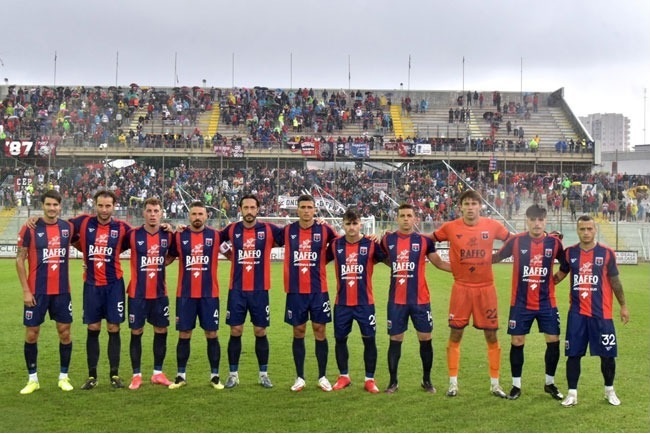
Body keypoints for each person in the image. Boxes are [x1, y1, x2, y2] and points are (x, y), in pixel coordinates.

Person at [432, 189, 511, 398]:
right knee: (456, 333)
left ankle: (495, 384)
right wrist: (440, 264)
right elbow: (426, 242)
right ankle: (453, 384)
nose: (470, 207)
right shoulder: (450, 227)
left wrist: (498, 257)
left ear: (480, 206)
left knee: (491, 334)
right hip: (461, 288)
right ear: (460, 207)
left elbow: (513, 242)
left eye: (473, 203)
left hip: (486, 288)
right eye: (466, 204)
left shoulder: (492, 225)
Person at [492, 205, 569, 400]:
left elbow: (566, 265)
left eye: (540, 220)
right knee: (517, 342)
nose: (537, 223)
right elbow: (497, 256)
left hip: (547, 303)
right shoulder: (516, 241)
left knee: (553, 341)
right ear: (527, 220)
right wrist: (476, 259)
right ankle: (516, 386)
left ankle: (549, 384)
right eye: (533, 220)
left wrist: (555, 280)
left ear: (545, 221)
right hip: (520, 303)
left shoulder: (554, 243)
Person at [554, 215, 629, 407]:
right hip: (577, 315)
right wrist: (543, 283)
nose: (586, 232)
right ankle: (572, 394)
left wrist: (623, 306)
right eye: (582, 229)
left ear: (595, 230)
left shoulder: (607, 253)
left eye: (589, 228)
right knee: (573, 354)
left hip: (602, 315)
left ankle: (609, 391)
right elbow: (560, 275)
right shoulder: (570, 253)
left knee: (608, 355)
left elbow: (615, 281)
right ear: (577, 230)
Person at [381, 203, 450, 394]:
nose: (405, 219)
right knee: (395, 339)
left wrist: (461, 270)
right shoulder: (387, 240)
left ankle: (426, 381)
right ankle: (393, 382)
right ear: (397, 218)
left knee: (425, 338)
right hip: (396, 301)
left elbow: (439, 263)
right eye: (402, 215)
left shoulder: (424, 241)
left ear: (415, 218)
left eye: (409, 215)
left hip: (420, 300)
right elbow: (381, 257)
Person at [70, 190, 132, 389]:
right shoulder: (83, 222)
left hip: (114, 285)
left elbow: (143, 236)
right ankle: (92, 376)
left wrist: (167, 227)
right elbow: (59, 227)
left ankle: (114, 375)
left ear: (114, 206)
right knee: (93, 328)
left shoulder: (122, 228)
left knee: (114, 328)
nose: (104, 210)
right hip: (92, 285)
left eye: (108, 206)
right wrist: (36, 219)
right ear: (95, 205)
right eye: (101, 205)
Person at [220, 194, 284, 389]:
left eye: (252, 207)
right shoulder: (232, 229)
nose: (249, 211)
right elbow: (214, 240)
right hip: (237, 290)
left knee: (260, 331)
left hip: (259, 290)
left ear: (258, 209)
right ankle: (233, 375)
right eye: (245, 207)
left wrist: (317, 222)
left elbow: (292, 235)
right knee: (235, 330)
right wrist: (230, 255)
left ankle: (263, 374)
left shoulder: (269, 229)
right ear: (240, 209)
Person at [16, 190, 75, 394]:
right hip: (36, 291)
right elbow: (19, 260)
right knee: (32, 334)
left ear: (60, 206)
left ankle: (63, 377)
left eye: (55, 205)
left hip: (61, 291)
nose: (52, 208)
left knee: (64, 333)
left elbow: (87, 241)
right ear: (42, 205)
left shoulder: (68, 227)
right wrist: (26, 291)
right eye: (48, 204)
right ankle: (32, 380)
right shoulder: (30, 227)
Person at [326, 208, 387, 393]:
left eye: (355, 223)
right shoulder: (335, 245)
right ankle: (344, 376)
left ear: (360, 224)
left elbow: (389, 260)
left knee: (369, 340)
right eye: (348, 224)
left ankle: (369, 379)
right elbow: (320, 260)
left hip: (365, 303)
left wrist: (384, 239)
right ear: (343, 225)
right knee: (340, 340)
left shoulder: (371, 244)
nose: (351, 227)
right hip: (342, 303)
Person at [167, 200, 224, 389]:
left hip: (209, 294)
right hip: (185, 294)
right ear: (188, 216)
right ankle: (180, 375)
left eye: (200, 214)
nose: (197, 217)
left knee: (211, 333)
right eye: (194, 214)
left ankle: (215, 376)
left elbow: (234, 251)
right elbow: (168, 257)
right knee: (184, 333)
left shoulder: (216, 236)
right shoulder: (179, 235)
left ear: (206, 216)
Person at [284, 194, 338, 392]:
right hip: (295, 291)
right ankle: (300, 377)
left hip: (318, 291)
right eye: (303, 207)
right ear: (297, 209)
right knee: (298, 330)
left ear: (315, 210)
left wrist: (325, 258)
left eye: (310, 207)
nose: (306, 211)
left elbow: (341, 245)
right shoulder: (288, 230)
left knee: (319, 330)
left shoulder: (325, 230)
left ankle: (322, 376)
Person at [124, 198, 174, 390]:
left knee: (161, 330)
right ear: (143, 213)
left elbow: (174, 253)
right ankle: (136, 376)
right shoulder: (132, 234)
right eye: (149, 211)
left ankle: (157, 373)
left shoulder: (168, 235)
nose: (153, 214)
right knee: (136, 331)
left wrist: (163, 262)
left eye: (156, 211)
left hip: (160, 293)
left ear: (161, 213)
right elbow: (111, 250)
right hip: (137, 293)